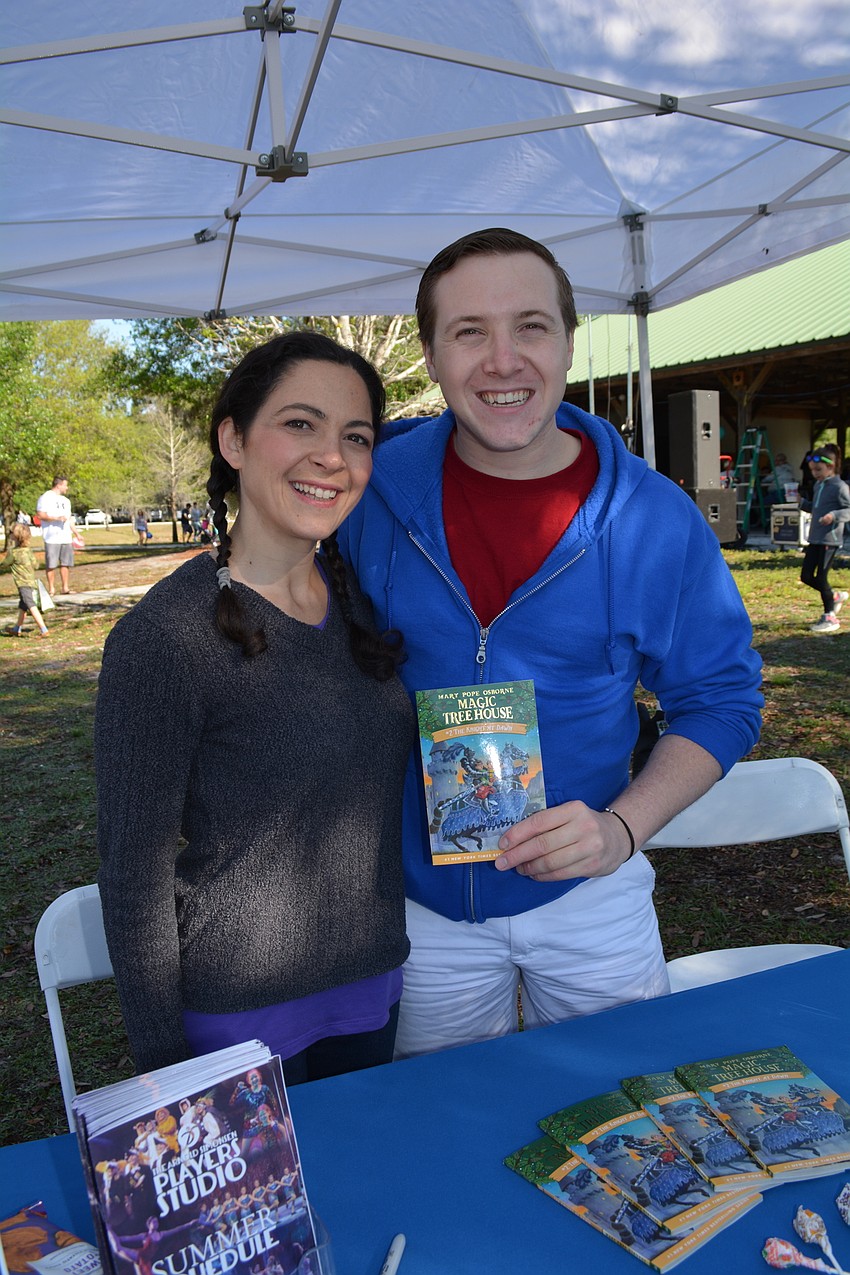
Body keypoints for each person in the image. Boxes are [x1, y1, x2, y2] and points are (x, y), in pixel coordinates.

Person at [338, 227, 763, 1059]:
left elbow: (721, 699)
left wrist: (623, 829)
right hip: (419, 910)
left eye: (531, 326)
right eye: (469, 332)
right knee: (445, 1129)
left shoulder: (655, 517)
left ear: (570, 341)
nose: (503, 360)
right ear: (429, 353)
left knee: (629, 1117)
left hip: (590, 896)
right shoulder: (369, 490)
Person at [95, 331, 414, 1085]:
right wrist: (165, 1075)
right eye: (299, 423)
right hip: (235, 1028)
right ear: (233, 439)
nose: (331, 456)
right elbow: (133, 873)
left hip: (372, 994)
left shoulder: (360, 604)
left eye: (356, 436)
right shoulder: (164, 638)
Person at [799, 444, 850, 635]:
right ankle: (834, 597)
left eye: (818, 470)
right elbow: (817, 508)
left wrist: (834, 516)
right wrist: (803, 504)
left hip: (830, 539)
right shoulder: (819, 485)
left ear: (831, 467)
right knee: (806, 576)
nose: (815, 474)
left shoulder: (840, 487)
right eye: (812, 470)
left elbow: (848, 510)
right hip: (815, 538)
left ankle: (830, 616)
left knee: (821, 577)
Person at [4, 522, 50, 637]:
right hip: (31, 581)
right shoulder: (28, 550)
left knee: (31, 605)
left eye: (11, 532)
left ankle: (44, 629)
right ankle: (16, 628)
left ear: (15, 536)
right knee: (23, 606)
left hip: (22, 583)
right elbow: (36, 565)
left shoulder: (13, 553)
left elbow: (5, 563)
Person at [36, 473, 75, 594]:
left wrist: (76, 533)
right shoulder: (45, 498)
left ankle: (65, 587)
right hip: (51, 537)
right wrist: (56, 518)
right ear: (59, 485)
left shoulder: (66, 501)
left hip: (65, 536)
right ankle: (52, 589)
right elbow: (40, 515)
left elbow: (69, 520)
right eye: (65, 485)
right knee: (51, 564)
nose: (67, 488)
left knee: (65, 563)